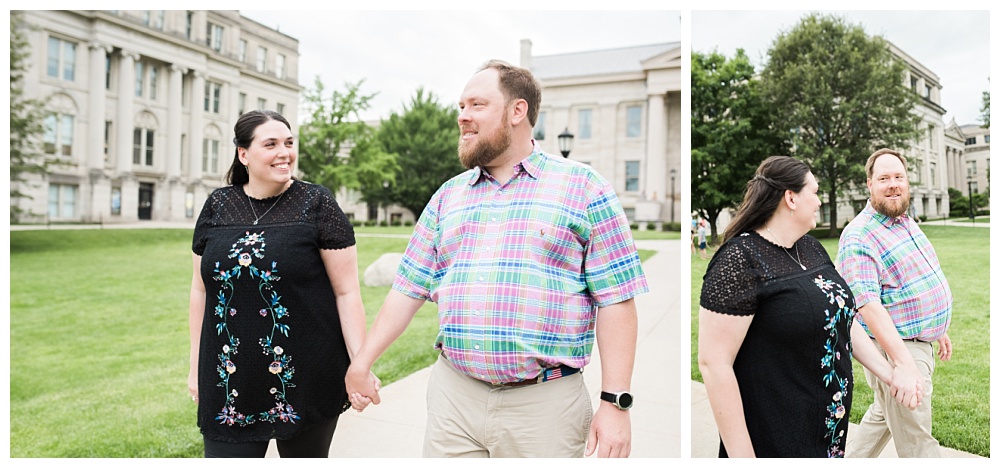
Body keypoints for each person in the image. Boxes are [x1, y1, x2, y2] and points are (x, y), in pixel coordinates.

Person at [344, 59, 648, 458]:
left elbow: (617, 300)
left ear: (517, 111)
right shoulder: (447, 197)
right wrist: (362, 362)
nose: (462, 117)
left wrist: (614, 403)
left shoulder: (585, 188)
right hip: (454, 397)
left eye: (476, 105)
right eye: (461, 106)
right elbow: (408, 287)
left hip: (544, 408)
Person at [698, 156, 921, 458]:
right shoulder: (740, 259)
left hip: (825, 433)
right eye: (814, 192)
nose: (819, 201)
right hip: (775, 436)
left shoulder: (811, 248)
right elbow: (714, 364)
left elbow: (842, 317)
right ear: (791, 198)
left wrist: (891, 373)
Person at [187, 110, 374, 457]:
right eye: (270, 144)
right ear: (244, 154)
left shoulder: (317, 204)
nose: (284, 152)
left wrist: (359, 365)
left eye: (289, 143)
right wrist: (196, 366)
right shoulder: (217, 206)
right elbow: (201, 290)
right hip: (229, 381)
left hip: (306, 377)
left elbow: (347, 293)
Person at [837, 148, 952, 458]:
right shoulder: (859, 235)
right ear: (869, 185)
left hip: (915, 341)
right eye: (884, 178)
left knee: (883, 417)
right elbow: (867, 305)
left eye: (899, 177)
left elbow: (918, 277)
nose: (893, 184)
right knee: (918, 442)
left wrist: (937, 325)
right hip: (896, 349)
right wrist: (903, 364)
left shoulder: (902, 220)